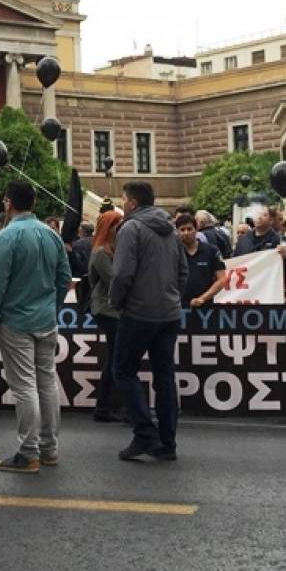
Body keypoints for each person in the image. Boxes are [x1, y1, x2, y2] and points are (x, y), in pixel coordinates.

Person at [0, 182, 71, 473]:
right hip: (46, 319)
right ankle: (49, 448)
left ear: (7, 203)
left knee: (24, 386)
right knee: (46, 381)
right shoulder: (50, 234)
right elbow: (64, 277)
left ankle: (28, 451)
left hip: (17, 320)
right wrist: (52, 307)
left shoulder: (8, 236)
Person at [110, 181, 187, 462]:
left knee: (123, 370)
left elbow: (120, 274)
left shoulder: (131, 228)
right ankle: (168, 442)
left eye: (123, 199)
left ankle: (144, 433)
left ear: (131, 203)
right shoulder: (172, 231)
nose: (121, 204)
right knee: (165, 377)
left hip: (139, 312)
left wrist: (117, 301)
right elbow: (183, 271)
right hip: (169, 313)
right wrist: (172, 297)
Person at [87, 210, 127, 422]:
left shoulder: (109, 249)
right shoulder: (102, 252)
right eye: (117, 225)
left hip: (111, 309)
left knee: (115, 357)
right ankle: (110, 405)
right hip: (107, 309)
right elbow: (114, 280)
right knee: (117, 358)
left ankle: (105, 406)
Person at [176, 214, 226, 308]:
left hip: (205, 307)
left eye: (189, 229)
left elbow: (222, 279)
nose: (186, 232)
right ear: (177, 232)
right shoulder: (173, 252)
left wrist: (202, 298)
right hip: (178, 308)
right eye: (182, 230)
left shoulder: (212, 250)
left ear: (196, 229)